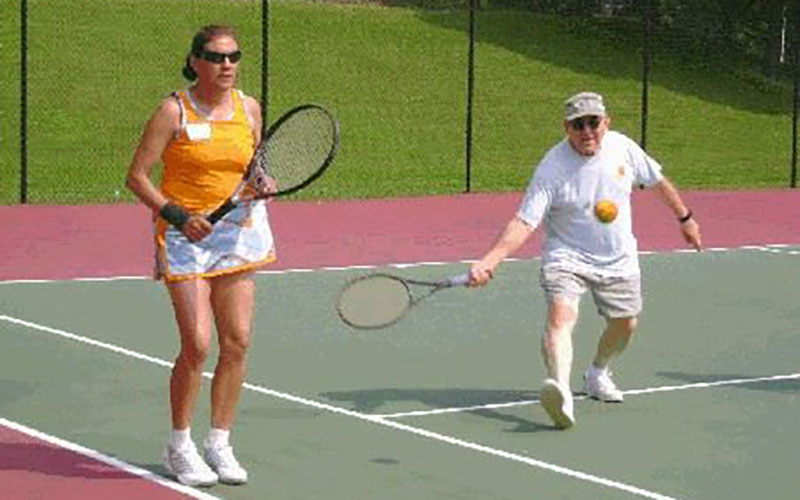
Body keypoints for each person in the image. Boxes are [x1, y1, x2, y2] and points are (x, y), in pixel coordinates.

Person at [468, 92, 702, 430]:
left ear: (606, 122)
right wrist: (492, 259)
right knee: (561, 317)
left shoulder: (623, 148)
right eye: (579, 124)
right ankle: (560, 391)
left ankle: (597, 372)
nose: (587, 130)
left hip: (618, 257)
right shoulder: (552, 168)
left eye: (594, 122)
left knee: (626, 324)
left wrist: (686, 218)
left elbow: (657, 181)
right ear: (567, 127)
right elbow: (525, 222)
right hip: (567, 255)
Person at [125, 25, 275, 486]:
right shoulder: (173, 110)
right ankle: (179, 444)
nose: (226, 64)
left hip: (238, 235)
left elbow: (255, 164)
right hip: (185, 237)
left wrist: (262, 181)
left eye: (233, 56)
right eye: (215, 56)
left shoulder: (249, 108)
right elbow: (137, 176)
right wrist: (176, 214)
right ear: (194, 61)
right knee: (198, 344)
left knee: (238, 342)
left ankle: (220, 443)